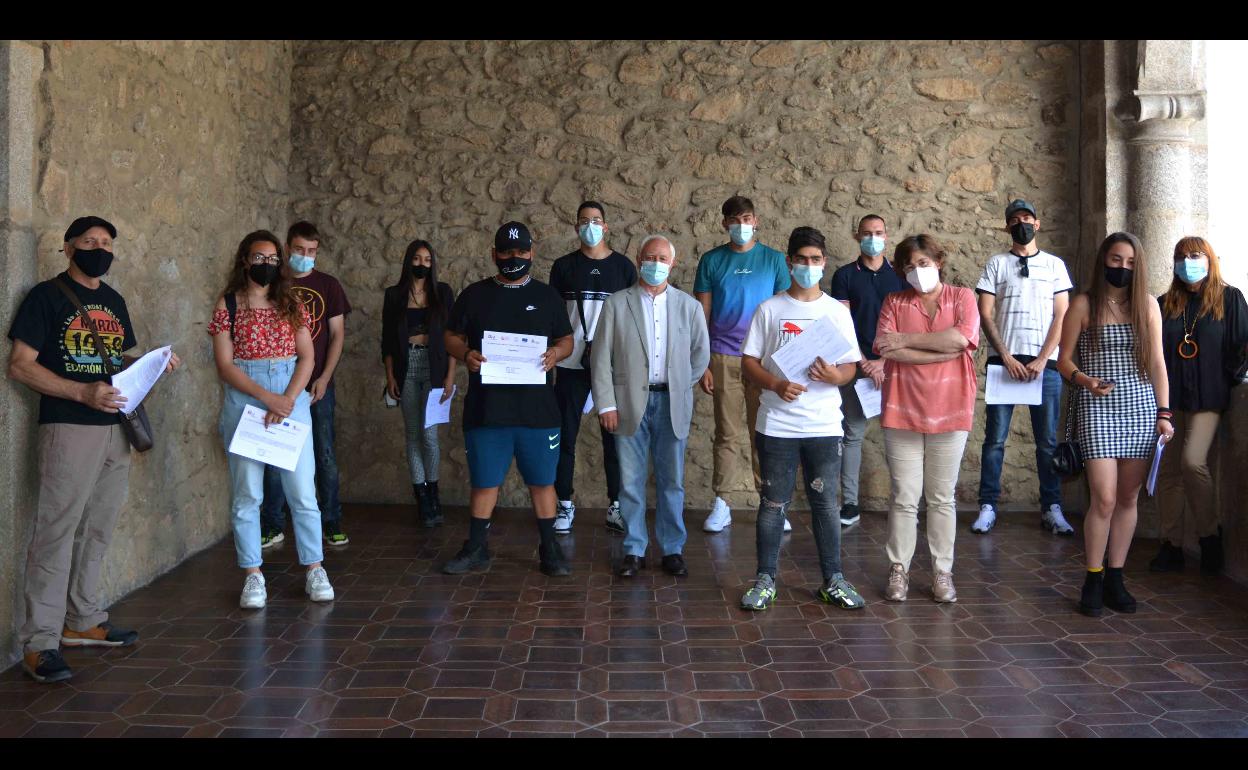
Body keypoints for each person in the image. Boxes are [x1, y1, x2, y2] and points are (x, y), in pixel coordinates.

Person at [8, 215, 181, 683]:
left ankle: (81, 620)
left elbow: (116, 357)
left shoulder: (113, 300)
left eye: (106, 243)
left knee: (98, 528)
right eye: (89, 241)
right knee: (56, 533)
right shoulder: (45, 297)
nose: (99, 248)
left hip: (113, 430)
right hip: (69, 426)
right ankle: (39, 643)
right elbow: (21, 366)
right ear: (68, 249)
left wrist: (152, 362)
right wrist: (81, 392)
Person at [739, 227, 866, 612]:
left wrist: (836, 377)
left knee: (826, 505)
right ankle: (765, 579)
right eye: (802, 259)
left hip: (824, 425)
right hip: (777, 423)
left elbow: (851, 368)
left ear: (823, 263)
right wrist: (776, 384)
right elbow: (748, 362)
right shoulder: (770, 309)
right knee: (773, 503)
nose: (808, 266)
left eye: (816, 260)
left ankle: (833, 580)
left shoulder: (836, 312)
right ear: (789, 262)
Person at [208, 230, 336, 610]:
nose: (266, 264)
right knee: (247, 493)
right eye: (258, 257)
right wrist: (268, 399)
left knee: (302, 492)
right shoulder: (227, 304)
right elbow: (224, 364)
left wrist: (289, 399)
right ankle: (252, 574)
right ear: (244, 261)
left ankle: (314, 567)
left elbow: (307, 357)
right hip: (246, 399)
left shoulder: (291, 302)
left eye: (272, 258)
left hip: (290, 395)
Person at [442, 221, 575, 576]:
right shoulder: (474, 295)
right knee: (485, 482)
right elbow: (450, 336)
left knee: (542, 483)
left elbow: (567, 340)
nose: (513, 257)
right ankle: (476, 548)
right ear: (493, 254)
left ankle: (549, 550)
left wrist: (555, 355)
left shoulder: (548, 297)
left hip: (538, 411)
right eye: (506, 252)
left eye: (520, 252)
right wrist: (466, 353)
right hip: (488, 409)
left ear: (532, 253)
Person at [1057, 232, 1172, 617]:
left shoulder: (1148, 306)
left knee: (1127, 498)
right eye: (1116, 259)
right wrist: (1086, 381)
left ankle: (1116, 577)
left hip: (1140, 407)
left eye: (1130, 263)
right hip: (1097, 405)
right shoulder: (1084, 303)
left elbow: (1157, 363)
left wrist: (1164, 412)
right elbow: (1064, 360)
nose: (1122, 268)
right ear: (1103, 259)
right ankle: (1092, 575)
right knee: (1103, 497)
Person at [591, 235, 709, 577]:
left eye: (662, 258)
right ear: (638, 258)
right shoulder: (616, 304)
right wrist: (606, 405)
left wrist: (679, 384)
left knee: (672, 482)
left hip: (673, 402)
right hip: (628, 404)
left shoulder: (689, 307)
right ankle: (634, 549)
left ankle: (672, 548)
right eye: (649, 256)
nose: (655, 263)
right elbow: (600, 360)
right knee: (630, 482)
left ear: (672, 263)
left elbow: (700, 355)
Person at [875, 235, 980, 604]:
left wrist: (906, 343)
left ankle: (942, 572)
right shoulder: (893, 301)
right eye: (908, 266)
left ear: (939, 261)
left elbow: (963, 339)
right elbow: (885, 346)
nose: (916, 271)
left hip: (952, 408)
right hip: (901, 408)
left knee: (941, 497)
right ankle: (898, 569)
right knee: (904, 496)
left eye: (923, 263)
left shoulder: (963, 297)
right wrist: (942, 349)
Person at [972, 200, 1076, 536]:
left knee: (1046, 440)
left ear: (1038, 223)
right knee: (995, 440)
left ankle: (1052, 507)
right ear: (1006, 227)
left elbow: (1062, 314)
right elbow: (985, 313)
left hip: (1042, 367)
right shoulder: (996, 264)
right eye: (1014, 220)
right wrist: (1006, 356)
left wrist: (1045, 358)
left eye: (1027, 219)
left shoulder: (1055, 266)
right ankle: (988, 505)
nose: (1022, 224)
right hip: (1005, 363)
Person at [694, 195, 792, 533]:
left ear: (757, 220)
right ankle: (723, 502)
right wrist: (702, 361)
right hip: (722, 355)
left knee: (763, 432)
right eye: (734, 220)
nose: (740, 226)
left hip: (763, 359)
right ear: (724, 224)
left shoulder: (775, 260)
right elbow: (702, 314)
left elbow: (783, 312)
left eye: (746, 218)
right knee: (727, 431)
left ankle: (773, 504)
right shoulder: (711, 261)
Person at [1150, 237, 1247, 575]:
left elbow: (1242, 344)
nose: (1187, 262)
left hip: (1209, 395)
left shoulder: (1229, 298)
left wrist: (1229, 377)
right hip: (1172, 396)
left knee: (1194, 463)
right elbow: (1153, 351)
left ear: (1209, 260)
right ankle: (1170, 544)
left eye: (1194, 255)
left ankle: (1209, 535)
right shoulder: (1165, 304)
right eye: (1181, 256)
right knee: (1169, 471)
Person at [259, 222, 352, 547]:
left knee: (324, 453)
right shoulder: (273, 284)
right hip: (279, 386)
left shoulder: (328, 285)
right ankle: (272, 523)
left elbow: (337, 335)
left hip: (316, 386)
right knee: (274, 455)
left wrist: (325, 377)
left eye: (311, 252)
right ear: (287, 247)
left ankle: (331, 521)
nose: (305, 256)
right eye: (299, 250)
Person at [549, 201, 637, 535]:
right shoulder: (563, 267)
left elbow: (631, 319)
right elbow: (555, 317)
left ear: (606, 227)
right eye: (584, 221)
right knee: (565, 435)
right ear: (576, 227)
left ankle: (616, 505)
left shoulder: (624, 267)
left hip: (611, 367)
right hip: (572, 363)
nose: (590, 226)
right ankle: (564, 504)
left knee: (613, 438)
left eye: (596, 220)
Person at [830, 214, 904, 527]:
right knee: (853, 434)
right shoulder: (844, 275)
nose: (872, 238)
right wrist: (864, 362)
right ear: (856, 235)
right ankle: (849, 503)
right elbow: (843, 325)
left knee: (902, 435)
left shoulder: (900, 275)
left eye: (878, 232)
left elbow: (906, 324)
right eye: (866, 233)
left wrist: (884, 362)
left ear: (887, 236)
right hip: (857, 365)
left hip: (896, 366)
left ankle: (905, 505)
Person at [383, 240, 457, 527]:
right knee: (412, 434)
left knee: (429, 436)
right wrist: (390, 376)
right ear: (408, 261)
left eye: (427, 259)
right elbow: (387, 340)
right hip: (406, 367)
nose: (422, 264)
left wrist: (450, 375)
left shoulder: (443, 293)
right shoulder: (394, 295)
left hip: (435, 367)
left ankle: (434, 491)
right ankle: (422, 497)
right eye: (417, 258)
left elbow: (453, 338)